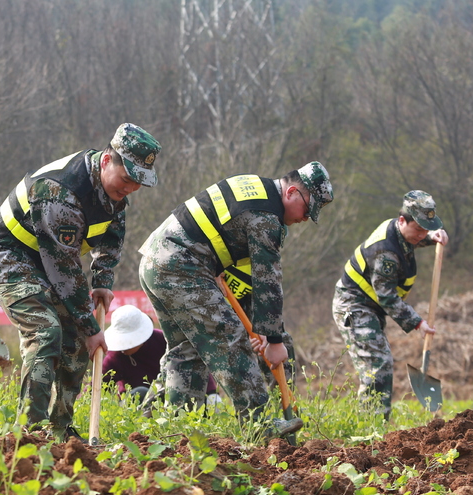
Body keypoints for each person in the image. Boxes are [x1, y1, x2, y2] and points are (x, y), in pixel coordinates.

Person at [0, 123, 161, 442]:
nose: (130, 189)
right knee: (46, 331)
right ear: (107, 160)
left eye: (138, 183)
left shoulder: (113, 192)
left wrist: (103, 279)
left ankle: (61, 427)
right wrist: (92, 327)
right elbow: (63, 270)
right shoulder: (59, 192)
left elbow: (113, 236)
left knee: (76, 340)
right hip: (6, 257)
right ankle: (30, 429)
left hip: (50, 262)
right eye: (127, 179)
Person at [138, 162, 333, 440]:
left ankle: (177, 430)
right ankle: (261, 426)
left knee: (187, 351)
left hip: (155, 261)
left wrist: (265, 330)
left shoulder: (253, 186)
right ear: (291, 192)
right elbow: (267, 280)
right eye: (306, 210)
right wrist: (274, 341)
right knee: (230, 338)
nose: (305, 219)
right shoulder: (268, 217)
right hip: (183, 265)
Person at [333, 190, 449, 421]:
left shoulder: (400, 232)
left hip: (370, 307)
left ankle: (376, 424)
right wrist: (417, 323)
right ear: (402, 220)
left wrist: (431, 236)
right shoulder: (384, 252)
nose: (421, 234)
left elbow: (412, 238)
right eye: (419, 229)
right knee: (378, 362)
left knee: (380, 361)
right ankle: (371, 427)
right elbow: (387, 297)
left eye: (426, 228)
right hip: (354, 305)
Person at [101, 304, 218, 403]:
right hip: (137, 404)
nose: (123, 347)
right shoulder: (115, 356)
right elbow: (97, 385)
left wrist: (211, 392)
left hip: (170, 396)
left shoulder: (163, 340)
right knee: (140, 393)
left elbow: (194, 363)